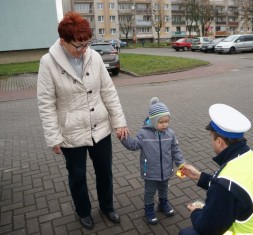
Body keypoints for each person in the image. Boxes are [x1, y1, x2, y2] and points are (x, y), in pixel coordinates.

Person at [37, 11, 129, 230]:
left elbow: (108, 91)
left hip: (101, 127)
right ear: (63, 41)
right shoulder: (48, 62)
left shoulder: (94, 57)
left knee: (104, 172)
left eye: (87, 44)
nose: (83, 50)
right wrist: (53, 137)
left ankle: (107, 206)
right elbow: (46, 104)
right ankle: (83, 211)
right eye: (78, 46)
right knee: (77, 176)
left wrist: (120, 122)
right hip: (71, 132)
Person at [179, 104, 253, 235]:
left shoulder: (226, 184)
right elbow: (238, 188)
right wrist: (200, 177)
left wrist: (195, 212)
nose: (210, 141)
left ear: (219, 141)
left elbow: (207, 228)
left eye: (211, 137)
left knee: (187, 233)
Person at [119, 97, 185, 225]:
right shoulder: (144, 134)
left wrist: (181, 163)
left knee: (164, 188)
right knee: (149, 191)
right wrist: (123, 138)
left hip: (165, 169)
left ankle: (163, 204)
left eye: (167, 121)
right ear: (153, 121)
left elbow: (175, 149)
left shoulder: (170, 133)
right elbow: (133, 145)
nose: (165, 125)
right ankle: (149, 210)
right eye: (161, 122)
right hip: (150, 171)